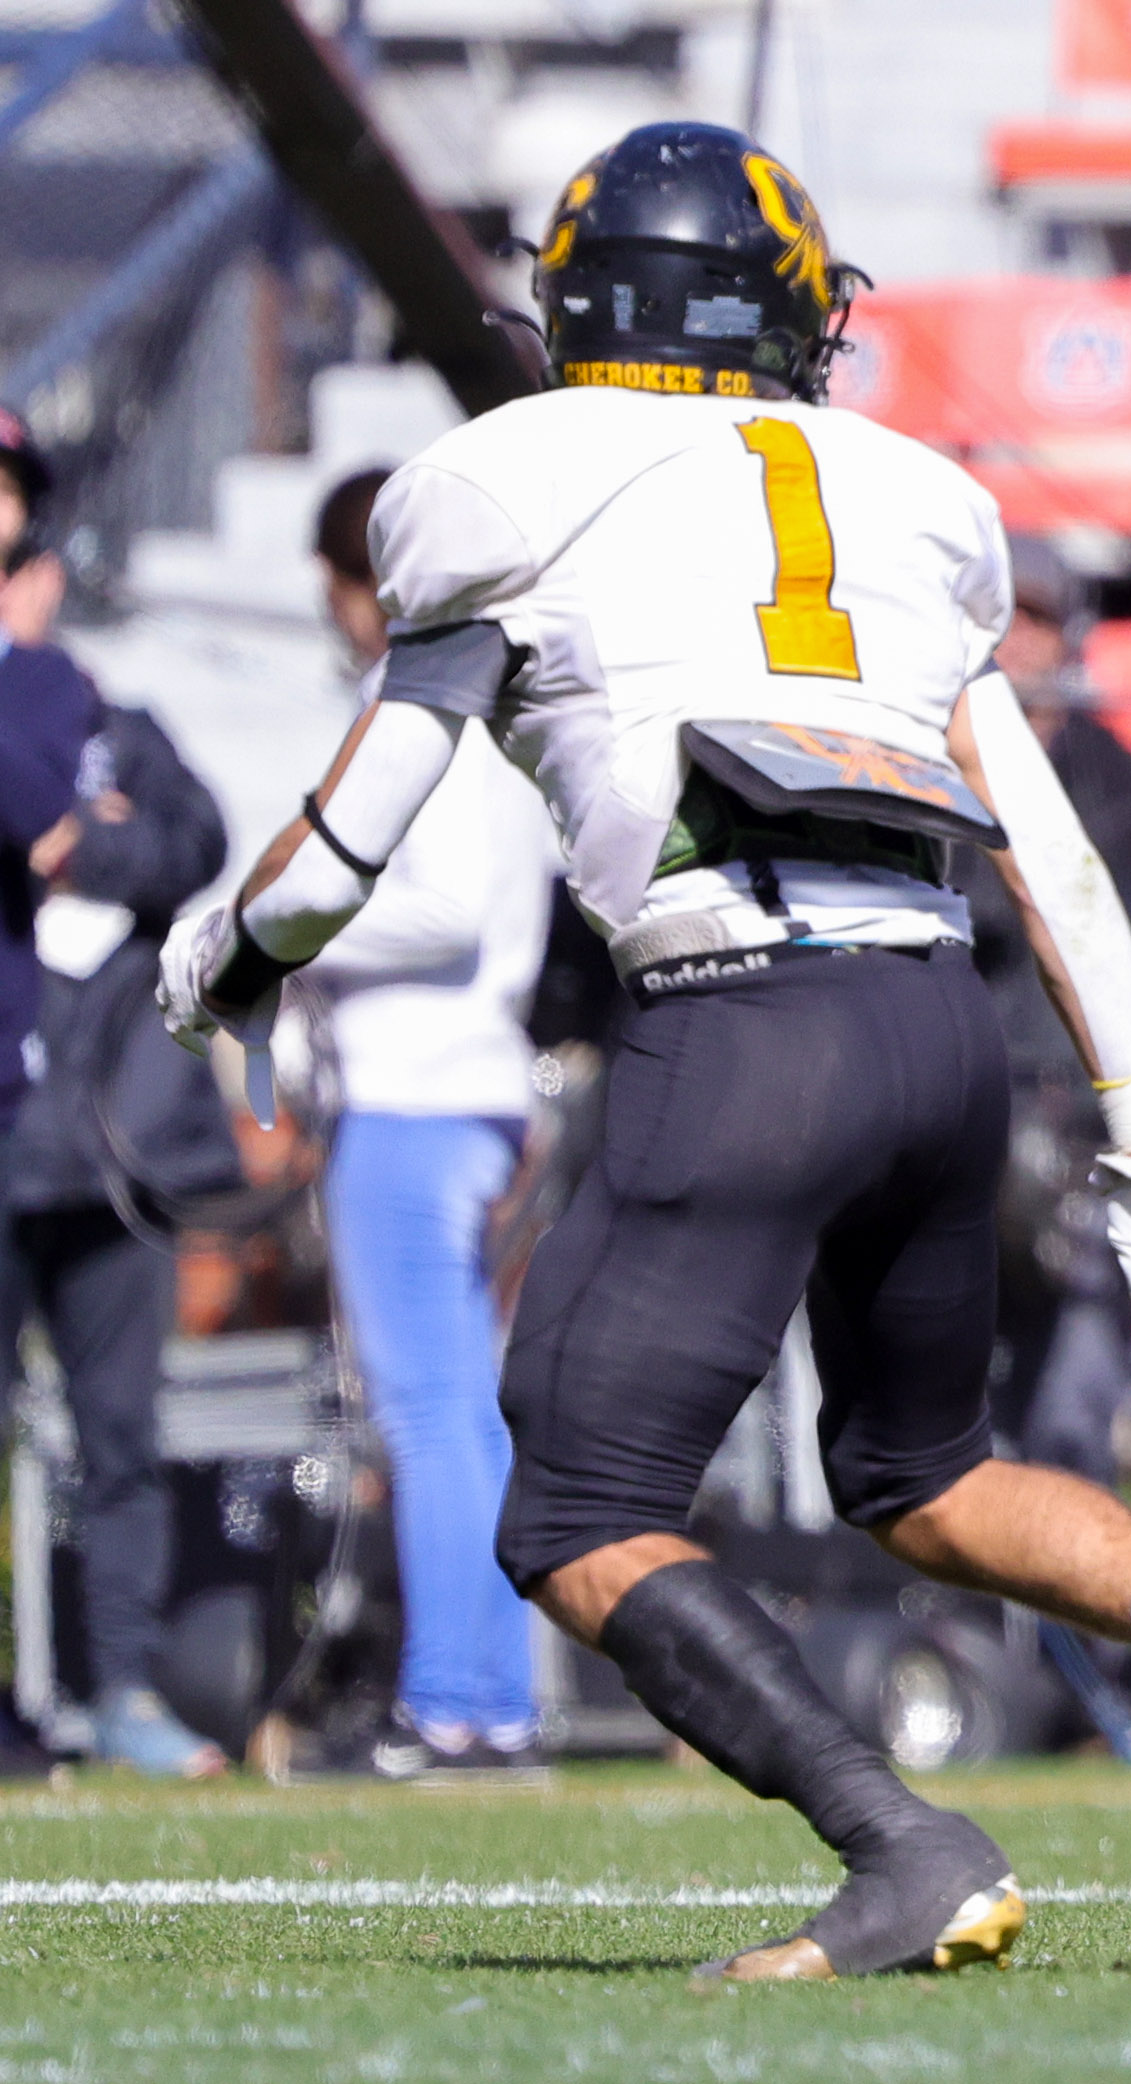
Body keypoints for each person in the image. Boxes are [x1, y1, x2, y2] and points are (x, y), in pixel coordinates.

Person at [161, 123, 1131, 1977]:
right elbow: (1055, 855)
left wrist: (222, 951)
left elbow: (360, 825)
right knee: (925, 1473)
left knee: (577, 1509)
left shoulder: (496, 474)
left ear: (583, 300)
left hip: (738, 1021)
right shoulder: (916, 496)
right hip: (934, 1026)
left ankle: (898, 1841)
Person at [299, 468, 563, 1778]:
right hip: (465, 1084)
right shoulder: (503, 698)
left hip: (416, 1088)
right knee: (461, 1409)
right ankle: (488, 1698)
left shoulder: (427, 700)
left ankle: (453, 1697)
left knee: (427, 1411)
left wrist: (274, 925)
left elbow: (439, 907)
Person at [1, 409, 239, 1777]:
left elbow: (195, 841)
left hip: (107, 1147)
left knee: (122, 1438)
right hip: (7, 1123)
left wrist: (88, 845)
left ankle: (128, 1690)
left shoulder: (107, 716)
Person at [966, 539, 1131, 1474]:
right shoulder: (910, 768)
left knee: (1072, 1411)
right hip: (953, 1121)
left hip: (1080, 1135)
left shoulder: (1121, 787)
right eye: (998, 618)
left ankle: (1063, 1610)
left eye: (1035, 620)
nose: (1013, 643)